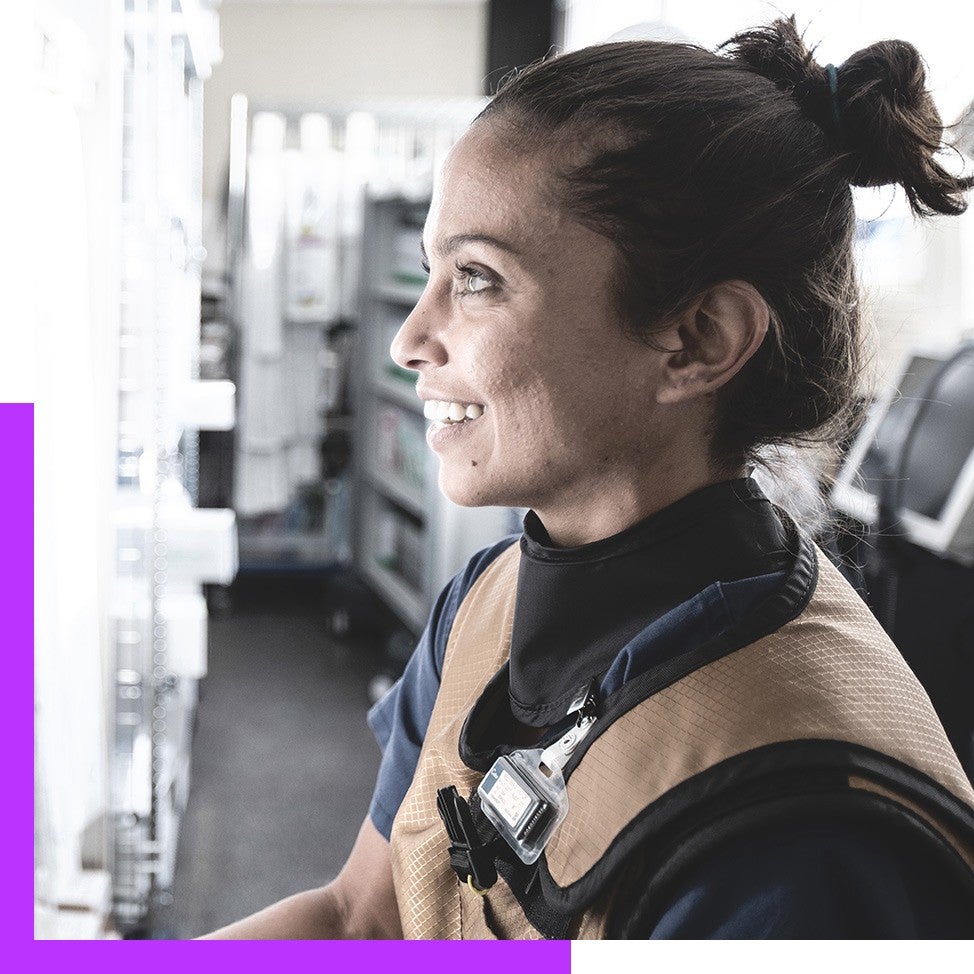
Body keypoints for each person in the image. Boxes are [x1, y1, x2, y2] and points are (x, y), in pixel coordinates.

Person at [203, 16, 974, 939]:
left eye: (478, 278)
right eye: (432, 270)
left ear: (699, 340)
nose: (410, 339)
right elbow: (358, 919)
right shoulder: (486, 606)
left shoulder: (800, 834)